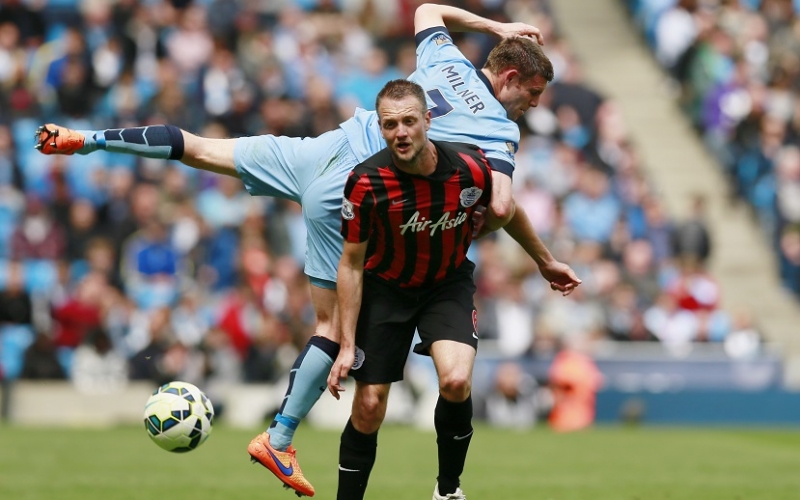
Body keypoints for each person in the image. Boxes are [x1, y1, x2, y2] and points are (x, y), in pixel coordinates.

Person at [34, 4, 581, 495]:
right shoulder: (498, 128)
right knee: (331, 329)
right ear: (510, 77)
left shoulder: (448, 61)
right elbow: (501, 205)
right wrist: (471, 222)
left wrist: (496, 26)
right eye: (532, 93)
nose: (533, 105)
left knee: (199, 149)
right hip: (353, 188)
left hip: (320, 150)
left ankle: (90, 139)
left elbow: (427, 11)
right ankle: (279, 438)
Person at [328, 79, 493, 500]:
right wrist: (346, 344)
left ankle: (448, 491)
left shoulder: (472, 166)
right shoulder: (366, 181)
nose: (400, 132)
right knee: (369, 406)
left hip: (446, 284)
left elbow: (500, 210)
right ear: (381, 129)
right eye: (390, 125)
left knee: (456, 380)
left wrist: (544, 261)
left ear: (427, 120)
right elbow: (350, 263)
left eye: (408, 121)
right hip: (386, 289)